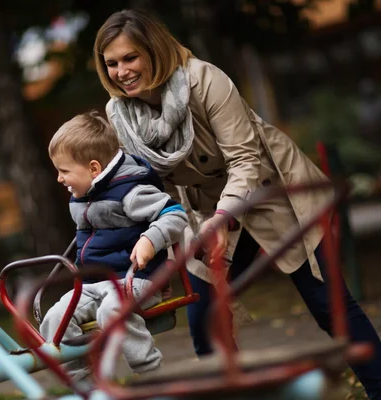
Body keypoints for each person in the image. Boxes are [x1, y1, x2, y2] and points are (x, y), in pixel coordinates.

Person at [93, 9, 381, 399]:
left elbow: (246, 159)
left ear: (154, 51)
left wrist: (224, 218)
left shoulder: (203, 80)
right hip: (205, 209)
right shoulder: (119, 114)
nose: (122, 71)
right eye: (111, 63)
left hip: (270, 190)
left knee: (329, 305)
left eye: (131, 58)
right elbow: (142, 183)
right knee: (206, 320)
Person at [39, 111, 188, 381]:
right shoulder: (83, 195)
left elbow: (176, 215)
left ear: (94, 169)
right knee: (55, 318)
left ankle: (152, 376)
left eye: (64, 171)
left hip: (137, 280)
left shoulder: (131, 191)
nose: (59, 179)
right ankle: (84, 384)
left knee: (112, 311)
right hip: (92, 282)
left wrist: (149, 240)